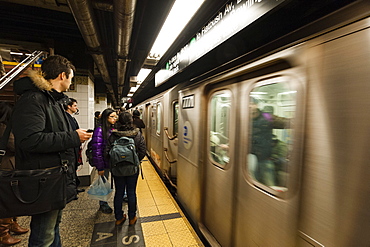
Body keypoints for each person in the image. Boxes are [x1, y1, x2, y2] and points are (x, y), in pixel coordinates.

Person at [11, 55, 92, 246]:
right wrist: (73, 137)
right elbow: (29, 140)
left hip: (54, 178)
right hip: (44, 180)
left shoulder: (51, 101)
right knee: (43, 235)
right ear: (62, 75)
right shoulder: (34, 100)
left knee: (53, 228)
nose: (71, 82)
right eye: (71, 78)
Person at [108, 112, 146, 226]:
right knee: (131, 192)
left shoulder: (113, 135)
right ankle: (132, 217)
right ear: (131, 121)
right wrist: (134, 161)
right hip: (132, 169)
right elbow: (142, 151)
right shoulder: (137, 134)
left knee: (119, 192)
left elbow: (107, 152)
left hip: (117, 170)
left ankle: (119, 218)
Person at [0, 102, 29, 246]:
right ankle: (3, 234)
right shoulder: (3, 128)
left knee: (11, 199)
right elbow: (13, 146)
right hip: (5, 167)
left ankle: (12, 224)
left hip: (10, 166)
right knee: (7, 200)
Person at [250, 98, 290, 186]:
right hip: (250, 159)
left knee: (269, 185)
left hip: (265, 159)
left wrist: (298, 122)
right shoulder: (243, 119)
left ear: (256, 105)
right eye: (247, 104)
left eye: (252, 103)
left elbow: (283, 122)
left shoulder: (267, 117)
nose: (249, 106)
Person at [90, 108, 118, 214]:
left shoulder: (112, 129)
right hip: (104, 163)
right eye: (112, 117)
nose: (114, 119)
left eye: (116, 117)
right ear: (106, 117)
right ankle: (103, 204)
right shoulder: (100, 130)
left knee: (114, 182)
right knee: (103, 184)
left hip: (112, 161)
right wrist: (100, 167)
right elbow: (97, 150)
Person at [64, 98, 85, 194]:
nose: (77, 107)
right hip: (70, 147)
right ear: (69, 106)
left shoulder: (71, 117)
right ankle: (72, 190)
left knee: (74, 166)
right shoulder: (66, 118)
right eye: (75, 105)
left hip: (74, 146)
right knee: (71, 168)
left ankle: (74, 188)